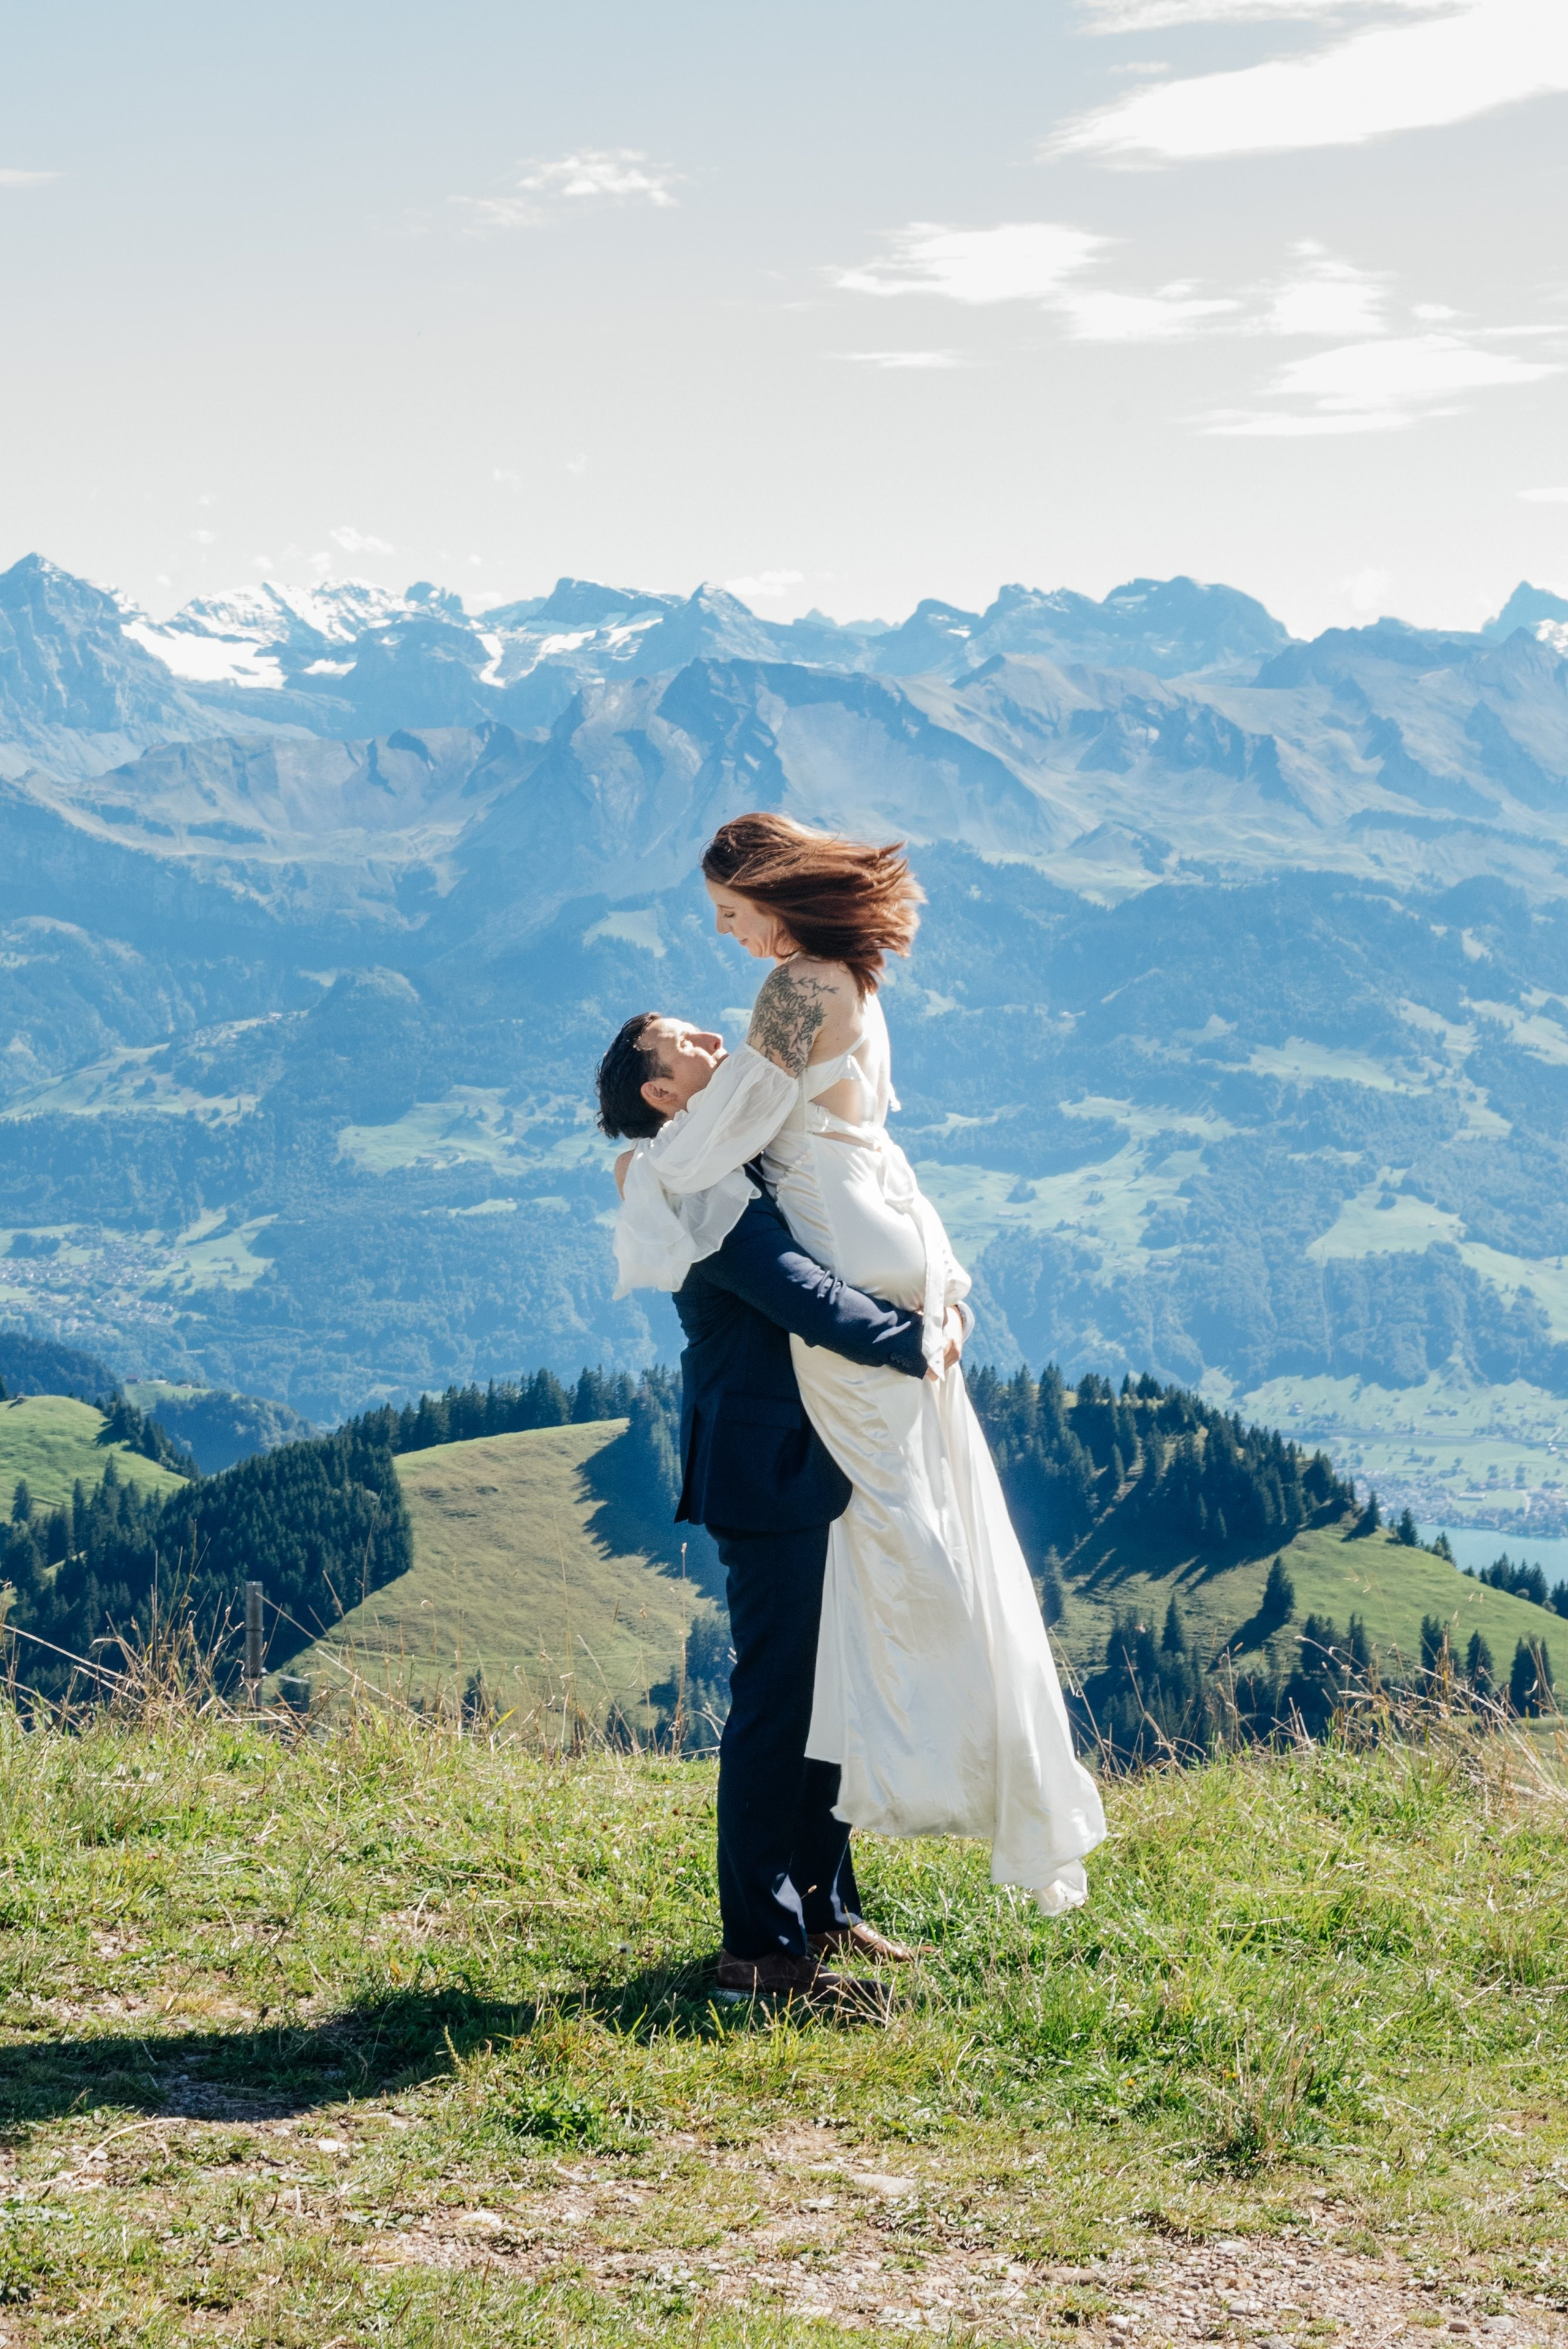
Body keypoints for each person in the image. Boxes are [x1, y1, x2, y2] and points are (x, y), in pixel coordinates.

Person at [612, 814, 1106, 1916]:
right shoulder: (848, 981)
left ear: (774, 895)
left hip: (853, 1299)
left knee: (827, 1652)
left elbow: (727, 1129)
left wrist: (647, 1176)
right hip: (876, 1276)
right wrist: (939, 1290)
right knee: (839, 1639)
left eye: (734, 916)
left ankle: (804, 1911)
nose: (734, 940)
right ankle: (795, 1914)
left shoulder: (793, 991)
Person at [597, 1010, 939, 2005]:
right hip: (769, 1463)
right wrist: (917, 1337)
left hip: (814, 1454)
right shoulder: (688, 1179)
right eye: (689, 1045)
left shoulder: (725, 1149)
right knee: (778, 1701)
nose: (713, 1040)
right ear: (661, 1092)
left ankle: (824, 1908)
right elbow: (797, 1291)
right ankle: (760, 1947)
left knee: (832, 1686)